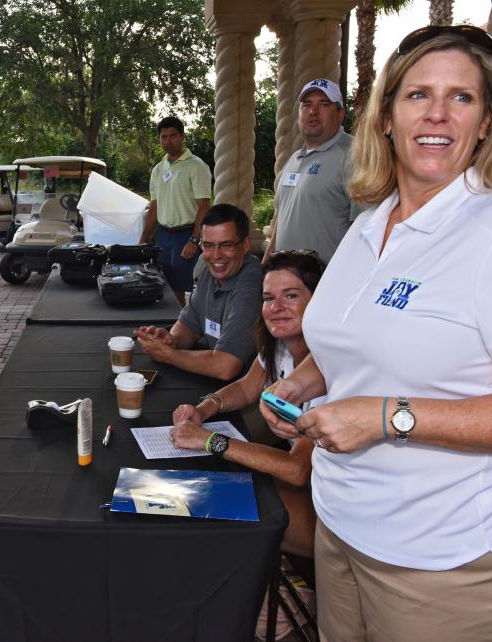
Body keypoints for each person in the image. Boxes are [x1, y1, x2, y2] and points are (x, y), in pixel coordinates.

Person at [262, 26, 492, 641]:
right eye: (417, 95)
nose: (437, 114)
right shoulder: (368, 225)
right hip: (343, 527)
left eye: (462, 97)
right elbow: (354, 339)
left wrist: (386, 416)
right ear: (386, 117)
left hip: (453, 558)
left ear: (486, 122)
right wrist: (301, 381)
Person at [169, 249, 327, 558]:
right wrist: (204, 409)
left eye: (291, 296)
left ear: (319, 301)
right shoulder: (281, 345)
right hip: (306, 490)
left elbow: (297, 470)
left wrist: (210, 440)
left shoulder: (328, 369)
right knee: (210, 482)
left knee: (205, 495)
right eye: (269, 298)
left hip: (328, 515)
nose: (277, 308)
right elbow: (246, 387)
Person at [136, 204, 262, 381]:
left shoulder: (252, 286)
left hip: (249, 399)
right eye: (208, 245)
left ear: (246, 245)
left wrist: (169, 355)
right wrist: (171, 341)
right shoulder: (211, 271)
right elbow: (190, 326)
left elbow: (226, 366)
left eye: (226, 245)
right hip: (212, 381)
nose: (216, 255)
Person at [265, 78, 359, 264]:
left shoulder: (356, 155)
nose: (313, 112)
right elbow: (280, 220)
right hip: (286, 284)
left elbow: (371, 228)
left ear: (340, 114)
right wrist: (265, 268)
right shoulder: (294, 159)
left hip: (328, 283)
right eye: (306, 105)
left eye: (324, 104)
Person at [139, 116, 212, 306]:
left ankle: (181, 327)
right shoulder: (158, 169)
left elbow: (204, 205)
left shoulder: (196, 166)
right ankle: (172, 326)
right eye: (164, 137)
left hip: (185, 234)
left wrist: (194, 240)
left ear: (182, 137)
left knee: (180, 286)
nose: (168, 141)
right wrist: (143, 238)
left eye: (173, 136)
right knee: (164, 281)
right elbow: (154, 206)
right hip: (163, 234)